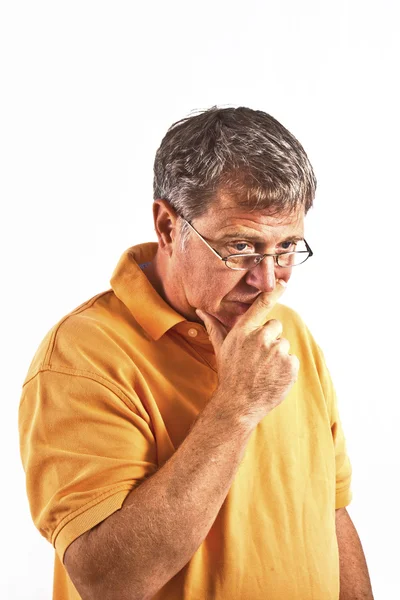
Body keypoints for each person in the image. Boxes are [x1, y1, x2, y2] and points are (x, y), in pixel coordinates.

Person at [19, 106, 374, 600]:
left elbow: (330, 510)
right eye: (242, 246)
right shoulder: (83, 358)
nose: (268, 280)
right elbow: (109, 582)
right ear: (168, 226)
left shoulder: (288, 333)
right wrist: (236, 408)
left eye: (287, 246)